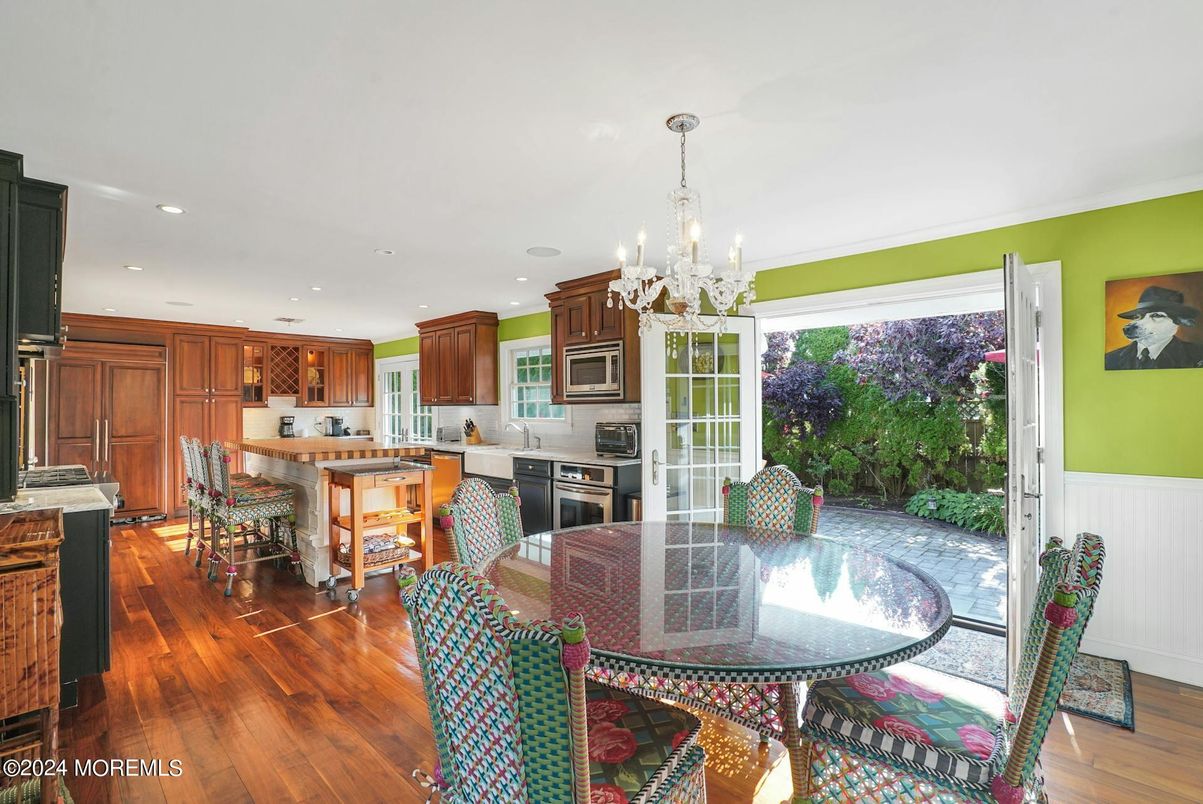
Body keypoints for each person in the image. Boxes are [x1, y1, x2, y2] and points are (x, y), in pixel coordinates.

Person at [1104, 285, 1203, 370]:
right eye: (1138, 316)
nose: (1136, 324)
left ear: (1178, 321)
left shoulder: (1197, 355)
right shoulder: (1110, 359)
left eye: (1156, 315)